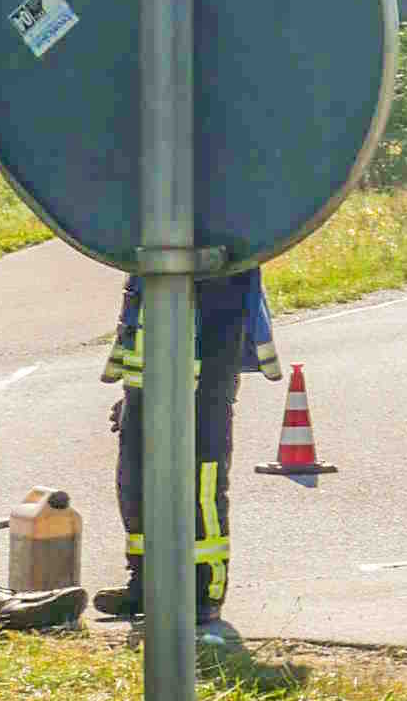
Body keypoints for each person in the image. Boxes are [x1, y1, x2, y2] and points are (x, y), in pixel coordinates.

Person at [101, 265, 277, 626]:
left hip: (205, 389)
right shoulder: (144, 237)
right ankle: (145, 581)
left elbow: (220, 333)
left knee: (202, 488)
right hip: (142, 386)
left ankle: (204, 590)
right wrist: (131, 396)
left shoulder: (224, 258)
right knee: (134, 485)